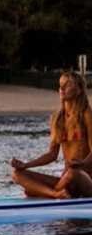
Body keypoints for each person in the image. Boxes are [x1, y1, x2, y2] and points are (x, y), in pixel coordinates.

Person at [9, 70, 92, 199]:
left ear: (79, 90)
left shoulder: (87, 114)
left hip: (86, 179)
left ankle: (42, 192)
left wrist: (82, 164)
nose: (62, 89)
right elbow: (52, 155)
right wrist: (26, 165)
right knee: (17, 174)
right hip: (66, 179)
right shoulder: (56, 118)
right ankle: (56, 194)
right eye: (60, 85)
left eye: (68, 85)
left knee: (73, 173)